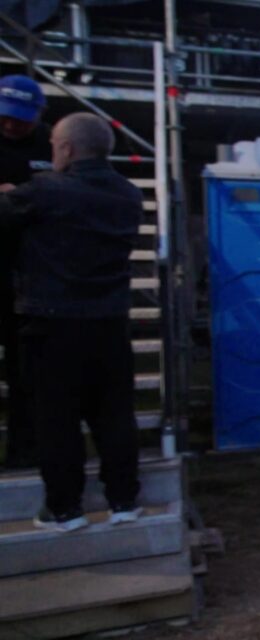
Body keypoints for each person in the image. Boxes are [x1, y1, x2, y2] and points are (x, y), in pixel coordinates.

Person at [0, 112, 143, 532]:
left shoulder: (43, 192)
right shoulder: (129, 194)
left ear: (64, 148)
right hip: (111, 321)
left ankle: (64, 508)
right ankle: (123, 500)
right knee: (115, 414)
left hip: (52, 322)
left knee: (56, 418)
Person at [0, 74, 52, 469]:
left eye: (20, 118)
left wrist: (15, 197)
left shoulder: (52, 143)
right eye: (5, 116)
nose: (11, 125)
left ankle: (24, 452)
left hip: (34, 275)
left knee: (27, 374)